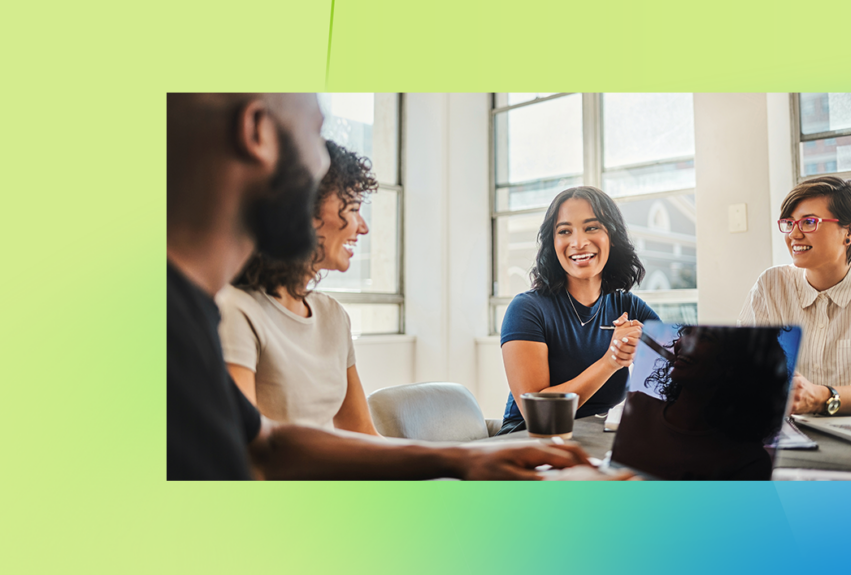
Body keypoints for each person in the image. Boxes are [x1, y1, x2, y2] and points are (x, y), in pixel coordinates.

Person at [167, 93, 593, 480]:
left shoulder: (191, 310)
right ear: (258, 130)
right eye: (316, 136)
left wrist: (462, 459)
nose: (322, 167)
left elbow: (267, 442)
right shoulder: (200, 316)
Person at [216, 141, 379, 435]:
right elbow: (251, 450)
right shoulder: (235, 310)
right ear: (307, 209)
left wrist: (444, 465)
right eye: (353, 207)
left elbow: (362, 431)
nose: (363, 227)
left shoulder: (333, 315)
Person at [498, 186, 659, 435]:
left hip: (599, 436)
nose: (579, 242)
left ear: (612, 236)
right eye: (564, 231)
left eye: (592, 227)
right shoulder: (527, 309)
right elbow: (537, 412)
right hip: (531, 439)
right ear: (553, 243)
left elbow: (680, 369)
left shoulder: (629, 307)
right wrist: (611, 361)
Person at [738, 176, 851, 415]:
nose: (794, 235)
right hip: (784, 435)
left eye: (809, 222)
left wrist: (823, 397)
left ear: (850, 232)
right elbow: (744, 366)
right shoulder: (771, 286)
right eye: (789, 223)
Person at [613, 326, 790, 480]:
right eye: (687, 332)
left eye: (705, 337)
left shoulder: (748, 462)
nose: (682, 343)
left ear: (735, 364)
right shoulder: (636, 407)